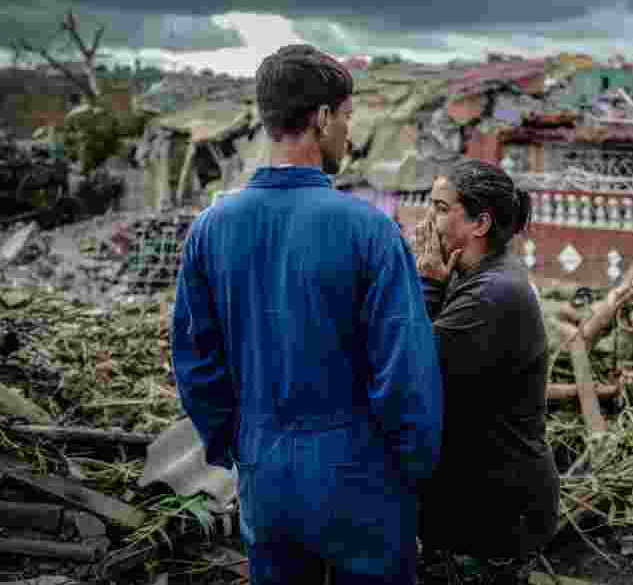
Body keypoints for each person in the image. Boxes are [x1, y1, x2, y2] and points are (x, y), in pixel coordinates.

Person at [171, 44, 442, 585]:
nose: (349, 133)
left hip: (264, 473)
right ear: (322, 119)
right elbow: (405, 376)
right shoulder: (369, 231)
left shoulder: (211, 228)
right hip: (357, 475)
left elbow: (196, 364)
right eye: (346, 118)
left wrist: (238, 444)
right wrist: (413, 469)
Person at [411, 158, 560, 571]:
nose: (429, 221)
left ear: (480, 224)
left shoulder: (490, 295)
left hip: (493, 511)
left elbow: (416, 371)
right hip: (486, 501)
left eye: (442, 209)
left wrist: (428, 283)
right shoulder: (477, 277)